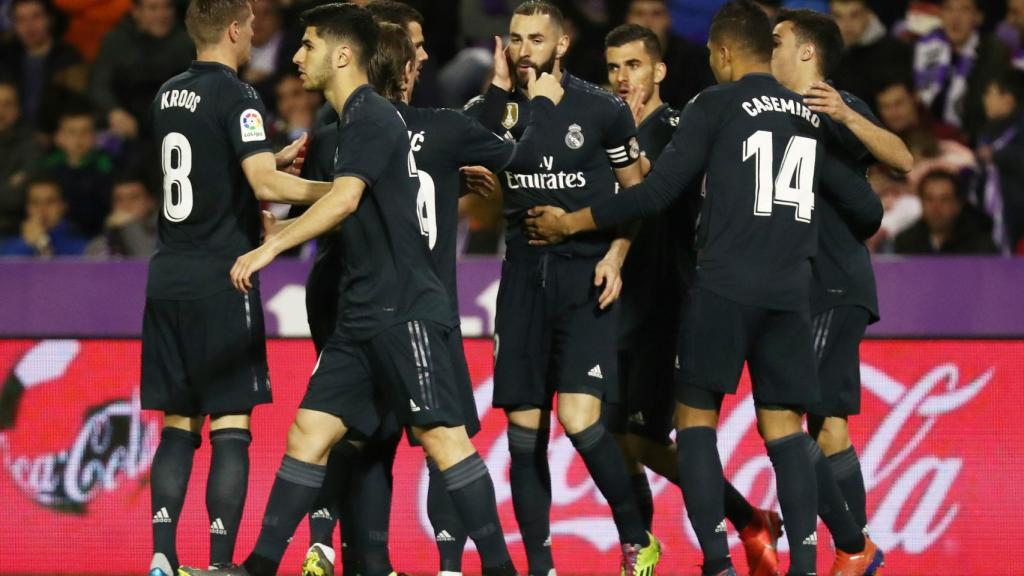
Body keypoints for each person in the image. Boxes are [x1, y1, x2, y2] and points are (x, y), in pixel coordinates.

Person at [523, 2, 882, 574]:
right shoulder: (807, 114)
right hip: (790, 294)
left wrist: (572, 221)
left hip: (721, 288)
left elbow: (655, 194)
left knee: (694, 424)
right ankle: (806, 567)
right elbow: (866, 209)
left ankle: (717, 560)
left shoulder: (714, 103)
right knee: (786, 430)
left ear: (722, 54)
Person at [180, 5, 518, 576]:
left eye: (307, 45)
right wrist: (269, 223)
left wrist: (271, 247)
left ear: (341, 55)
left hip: (404, 311)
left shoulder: (372, 117)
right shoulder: (347, 121)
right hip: (361, 315)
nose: (294, 55)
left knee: (445, 443)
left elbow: (343, 200)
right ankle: (258, 568)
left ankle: (502, 569)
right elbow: (344, 202)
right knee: (309, 433)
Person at [464, 2, 662, 573]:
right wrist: (500, 95)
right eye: (516, 38)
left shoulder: (601, 110)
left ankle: (636, 540)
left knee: (579, 420)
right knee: (525, 430)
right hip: (522, 276)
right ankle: (541, 566)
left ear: (562, 44)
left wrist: (619, 253)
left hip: (583, 274)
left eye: (536, 38)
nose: (525, 48)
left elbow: (637, 194)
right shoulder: (494, 110)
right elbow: (465, 156)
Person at [140, 0, 331, 572]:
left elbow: (206, 174)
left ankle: (162, 558)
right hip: (223, 276)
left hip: (167, 275)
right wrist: (346, 190)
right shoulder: (239, 95)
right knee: (230, 424)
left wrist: (270, 154)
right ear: (232, 29)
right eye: (249, 27)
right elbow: (262, 183)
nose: (253, 36)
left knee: (178, 423)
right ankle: (221, 563)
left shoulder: (166, 94)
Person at [602, 22, 783, 576]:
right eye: (612, 68)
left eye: (633, 66)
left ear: (658, 71)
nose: (621, 78)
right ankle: (641, 553)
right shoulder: (603, 129)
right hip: (611, 306)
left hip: (666, 305)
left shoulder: (683, 126)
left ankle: (747, 519)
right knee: (607, 435)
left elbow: (659, 197)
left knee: (640, 439)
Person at [772, 8, 899, 574]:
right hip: (792, 285)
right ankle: (854, 552)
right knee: (828, 424)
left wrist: (847, 114)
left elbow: (901, 158)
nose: (766, 49)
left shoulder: (835, 105)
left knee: (784, 412)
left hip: (833, 279)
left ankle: (852, 545)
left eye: (776, 42)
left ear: (806, 52)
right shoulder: (766, 110)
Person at [90, 0, 194, 140]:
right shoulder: (115, 41)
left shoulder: (187, 42)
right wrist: (114, 112)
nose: (162, 14)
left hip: (173, 127)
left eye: (167, 7)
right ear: (136, 12)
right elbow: (100, 84)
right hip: (125, 125)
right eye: (153, 8)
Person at [913, 0, 1010, 139]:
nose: (955, 17)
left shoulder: (991, 53)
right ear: (940, 14)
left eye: (964, 9)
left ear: (978, 17)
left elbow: (983, 111)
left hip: (969, 142)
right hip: (925, 139)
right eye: (949, 9)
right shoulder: (925, 46)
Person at [624, 0, 714, 108]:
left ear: (668, 19)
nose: (648, 22)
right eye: (639, 14)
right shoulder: (610, 57)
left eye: (656, 14)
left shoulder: (695, 59)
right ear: (627, 20)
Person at [41, 105, 115, 237]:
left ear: (94, 136)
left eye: (85, 132)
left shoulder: (106, 166)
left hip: (95, 235)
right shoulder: (48, 168)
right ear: (59, 137)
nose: (78, 138)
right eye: (71, 132)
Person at [973, 69, 1024, 252]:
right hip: (990, 222)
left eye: (989, 93)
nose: (985, 99)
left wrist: (998, 156)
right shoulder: (987, 133)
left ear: (1008, 98)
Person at [829, 0, 913, 106]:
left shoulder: (896, 53)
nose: (846, 24)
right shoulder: (827, 57)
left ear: (868, 14)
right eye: (838, 16)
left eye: (854, 15)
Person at [895, 169, 998, 254]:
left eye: (944, 200)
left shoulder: (980, 245)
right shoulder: (906, 241)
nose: (936, 207)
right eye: (929, 199)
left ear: (958, 205)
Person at [0, 175, 87, 256]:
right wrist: (26, 244)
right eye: (35, 202)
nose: (42, 209)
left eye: (50, 202)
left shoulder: (80, 245)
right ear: (27, 208)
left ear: (63, 206)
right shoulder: (8, 246)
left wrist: (42, 243)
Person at [0, 79, 44, 235]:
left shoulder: (32, 146)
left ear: (17, 110)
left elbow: (18, 198)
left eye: (7, 104)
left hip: (14, 231)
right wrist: (9, 184)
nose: (1, 111)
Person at [84, 174, 157, 257]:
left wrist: (129, 225)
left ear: (150, 202)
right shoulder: (101, 242)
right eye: (119, 199)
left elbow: (147, 263)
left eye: (134, 198)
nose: (126, 205)